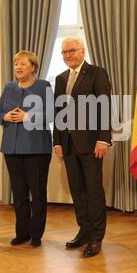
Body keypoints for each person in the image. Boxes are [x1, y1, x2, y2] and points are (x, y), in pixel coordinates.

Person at [53, 37, 111, 257]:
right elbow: (58, 112)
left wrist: (103, 139)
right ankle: (84, 231)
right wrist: (57, 141)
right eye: (64, 52)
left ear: (83, 51)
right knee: (77, 189)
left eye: (72, 51)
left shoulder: (97, 73)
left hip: (91, 143)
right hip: (67, 144)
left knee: (93, 189)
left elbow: (105, 106)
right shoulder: (60, 78)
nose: (68, 55)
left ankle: (97, 237)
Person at [0, 51, 52, 248]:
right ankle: (22, 233)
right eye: (16, 64)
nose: (18, 67)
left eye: (23, 64)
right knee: (18, 194)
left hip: (37, 149)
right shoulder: (8, 87)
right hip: (12, 149)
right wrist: (5, 117)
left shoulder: (44, 86)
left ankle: (36, 234)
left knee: (37, 194)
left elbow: (52, 114)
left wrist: (27, 117)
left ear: (33, 67)